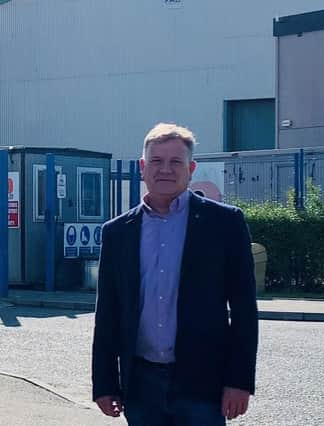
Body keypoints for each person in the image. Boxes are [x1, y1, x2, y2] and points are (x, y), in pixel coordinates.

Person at [92, 123, 258, 425]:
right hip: (141, 387)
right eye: (156, 161)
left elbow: (245, 309)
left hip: (204, 385)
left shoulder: (224, 224)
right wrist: (104, 384)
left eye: (175, 162)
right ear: (143, 167)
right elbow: (107, 313)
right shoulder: (117, 232)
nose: (165, 170)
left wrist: (240, 380)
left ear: (191, 168)